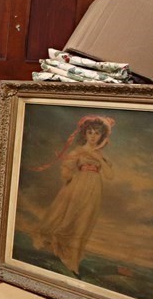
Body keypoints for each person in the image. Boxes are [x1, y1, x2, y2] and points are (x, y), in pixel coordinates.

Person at [31, 115, 115, 277]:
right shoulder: (78, 151)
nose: (93, 136)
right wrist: (68, 176)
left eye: (97, 133)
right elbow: (67, 169)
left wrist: (98, 158)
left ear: (102, 136)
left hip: (94, 189)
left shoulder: (101, 155)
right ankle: (60, 246)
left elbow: (110, 175)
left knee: (84, 223)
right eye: (90, 132)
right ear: (85, 134)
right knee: (69, 220)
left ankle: (73, 262)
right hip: (77, 186)